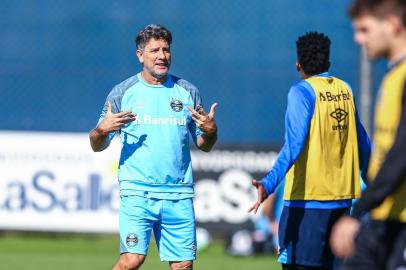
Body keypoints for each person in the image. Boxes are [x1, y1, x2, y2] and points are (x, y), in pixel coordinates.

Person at [89, 24, 218, 270]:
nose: (162, 56)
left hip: (178, 194)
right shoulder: (122, 93)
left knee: (182, 266)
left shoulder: (188, 92)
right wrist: (100, 131)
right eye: (154, 50)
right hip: (138, 191)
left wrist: (211, 131)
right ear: (140, 55)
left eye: (166, 50)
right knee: (131, 261)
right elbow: (97, 144)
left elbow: (204, 144)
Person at [249, 32, 371, 270]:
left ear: (298, 64)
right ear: (328, 62)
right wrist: (375, 186)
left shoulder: (301, 91)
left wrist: (269, 183)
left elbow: (294, 144)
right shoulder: (344, 90)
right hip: (343, 203)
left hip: (307, 206)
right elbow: (364, 143)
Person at [330, 1, 406, 269]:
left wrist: (359, 209)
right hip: (384, 217)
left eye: (364, 29)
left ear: (392, 25)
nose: (358, 38)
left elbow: (401, 154)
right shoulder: (393, 75)